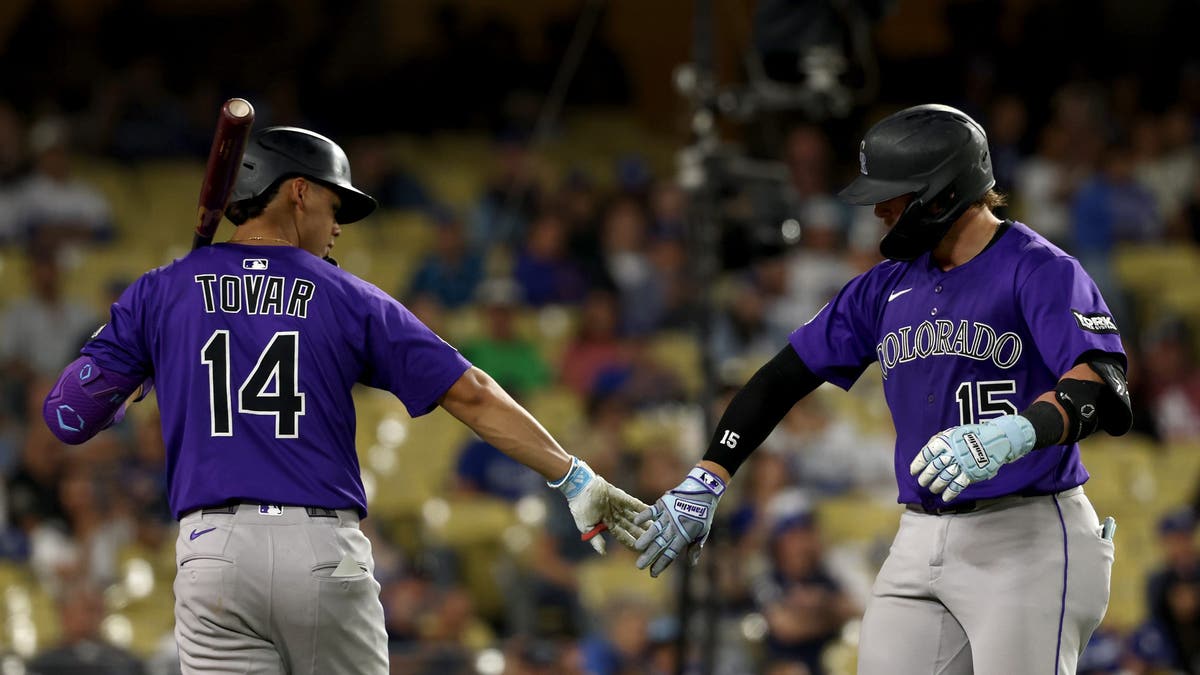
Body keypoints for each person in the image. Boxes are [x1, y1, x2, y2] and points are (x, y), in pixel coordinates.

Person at [40, 126, 647, 675]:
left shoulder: (161, 291)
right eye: (335, 206)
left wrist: (130, 383)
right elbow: (473, 394)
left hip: (212, 554)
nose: (337, 228)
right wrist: (573, 477)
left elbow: (66, 415)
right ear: (298, 193)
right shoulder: (348, 296)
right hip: (319, 553)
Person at [634, 104, 1133, 674]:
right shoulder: (885, 287)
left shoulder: (1040, 269)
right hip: (921, 534)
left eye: (893, 194)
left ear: (942, 194)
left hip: (1028, 534)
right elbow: (780, 378)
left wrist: (1019, 432)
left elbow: (1104, 385)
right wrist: (709, 477)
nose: (878, 209)